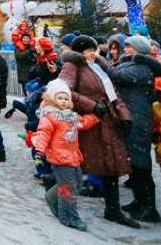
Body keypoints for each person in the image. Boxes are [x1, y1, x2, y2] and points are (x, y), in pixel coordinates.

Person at [59, 34, 139, 228]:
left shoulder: (99, 68)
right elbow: (63, 92)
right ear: (80, 51)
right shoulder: (72, 67)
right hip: (90, 124)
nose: (93, 53)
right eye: (88, 50)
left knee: (111, 167)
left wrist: (125, 116)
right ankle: (62, 204)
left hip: (109, 122)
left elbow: (113, 94)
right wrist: (91, 105)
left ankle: (113, 210)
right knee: (74, 169)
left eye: (94, 49)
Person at [109, 35, 161, 223]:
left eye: (128, 47)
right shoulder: (132, 64)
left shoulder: (143, 67)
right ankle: (139, 200)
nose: (125, 49)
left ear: (139, 49)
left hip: (139, 118)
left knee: (141, 163)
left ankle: (149, 208)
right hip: (132, 115)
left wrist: (99, 61)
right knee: (134, 162)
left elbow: (116, 75)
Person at [32, 78, 100, 231]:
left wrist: (97, 116)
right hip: (59, 158)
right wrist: (39, 153)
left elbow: (83, 123)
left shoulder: (71, 116)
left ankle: (51, 196)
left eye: (65, 98)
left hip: (73, 156)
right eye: (59, 98)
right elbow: (43, 135)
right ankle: (68, 217)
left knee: (77, 184)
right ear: (52, 99)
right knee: (69, 188)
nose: (63, 101)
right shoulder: (49, 117)